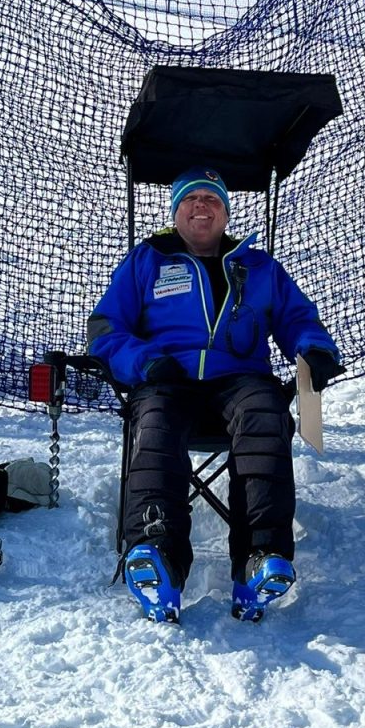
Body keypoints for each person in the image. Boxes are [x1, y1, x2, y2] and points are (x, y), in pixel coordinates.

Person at [87, 166, 343, 623]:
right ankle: (157, 554)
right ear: (175, 212)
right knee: (156, 424)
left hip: (239, 378)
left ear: (225, 213)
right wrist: (145, 362)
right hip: (167, 376)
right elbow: (106, 330)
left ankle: (259, 558)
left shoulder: (259, 266)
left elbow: (298, 319)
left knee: (266, 415)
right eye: (190, 198)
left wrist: (315, 349)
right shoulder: (147, 260)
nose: (200, 206)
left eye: (211, 199)